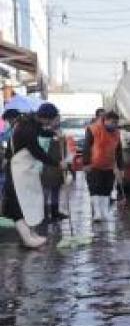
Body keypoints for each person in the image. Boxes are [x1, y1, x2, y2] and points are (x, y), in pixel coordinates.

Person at [2, 113, 60, 247]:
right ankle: (27, 238)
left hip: (22, 173)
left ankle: (31, 235)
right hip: (16, 175)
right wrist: (55, 163)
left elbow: (41, 132)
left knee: (27, 204)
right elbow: (36, 151)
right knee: (17, 208)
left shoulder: (30, 126)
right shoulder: (26, 130)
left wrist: (53, 135)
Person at [83, 111, 123, 222]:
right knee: (95, 188)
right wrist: (86, 163)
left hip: (109, 166)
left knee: (107, 189)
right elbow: (86, 147)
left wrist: (120, 167)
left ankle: (105, 212)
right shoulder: (93, 129)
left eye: (116, 122)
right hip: (94, 165)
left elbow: (119, 151)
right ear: (105, 120)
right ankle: (97, 212)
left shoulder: (117, 133)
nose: (115, 125)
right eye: (113, 122)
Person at [36, 103, 69, 222]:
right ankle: (44, 214)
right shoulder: (42, 131)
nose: (57, 121)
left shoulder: (60, 131)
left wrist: (65, 160)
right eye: (56, 119)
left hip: (58, 165)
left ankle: (55, 212)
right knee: (45, 190)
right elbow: (41, 148)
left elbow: (65, 148)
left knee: (56, 189)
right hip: (46, 165)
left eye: (58, 119)